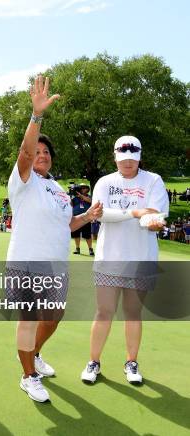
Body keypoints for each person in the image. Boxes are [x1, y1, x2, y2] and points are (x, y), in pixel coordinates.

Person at [5, 76, 102, 402]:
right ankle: (27, 376)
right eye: (38, 151)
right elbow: (24, 150)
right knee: (30, 319)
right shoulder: (23, 180)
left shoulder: (57, 188)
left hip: (55, 266)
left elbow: (66, 225)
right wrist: (36, 116)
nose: (41, 154)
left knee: (54, 317)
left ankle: (33, 356)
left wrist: (88, 217)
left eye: (47, 151)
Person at [81, 136, 168, 385]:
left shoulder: (153, 180)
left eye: (132, 159)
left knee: (133, 313)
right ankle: (94, 362)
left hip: (141, 259)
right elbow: (100, 214)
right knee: (103, 312)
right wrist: (136, 212)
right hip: (110, 257)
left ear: (140, 157)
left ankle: (131, 362)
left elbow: (155, 216)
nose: (128, 164)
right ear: (115, 157)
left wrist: (147, 218)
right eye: (123, 159)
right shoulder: (105, 182)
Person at [71, 185, 95, 256]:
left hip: (86, 219)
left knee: (87, 235)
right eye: (81, 188)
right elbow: (70, 205)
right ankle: (77, 248)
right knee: (76, 235)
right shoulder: (74, 198)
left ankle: (90, 249)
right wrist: (71, 197)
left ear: (87, 189)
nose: (83, 189)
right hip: (76, 219)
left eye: (84, 188)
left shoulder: (89, 197)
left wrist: (81, 196)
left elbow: (90, 201)